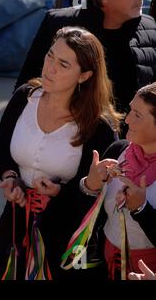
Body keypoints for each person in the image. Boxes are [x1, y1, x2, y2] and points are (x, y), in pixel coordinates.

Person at [0, 27, 122, 280]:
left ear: (85, 76)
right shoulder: (25, 97)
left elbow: (101, 193)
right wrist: (10, 176)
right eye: (50, 56)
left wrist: (60, 193)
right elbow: (0, 149)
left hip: (65, 237)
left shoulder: (98, 127)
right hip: (14, 224)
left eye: (64, 64)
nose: (50, 67)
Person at [16, 0, 156, 114]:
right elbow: (27, 86)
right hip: (67, 131)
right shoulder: (58, 24)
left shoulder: (150, 28)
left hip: (128, 133)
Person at [81, 82, 156, 280]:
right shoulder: (118, 151)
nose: (127, 120)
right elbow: (84, 212)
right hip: (106, 263)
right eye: (130, 110)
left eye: (137, 115)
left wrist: (142, 210)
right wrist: (90, 185)